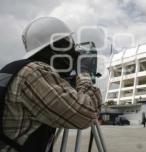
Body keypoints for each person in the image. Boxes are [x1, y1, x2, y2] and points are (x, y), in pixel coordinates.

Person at [0, 17, 102, 152]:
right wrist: (84, 73)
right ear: (56, 48)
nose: (74, 51)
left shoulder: (17, 69)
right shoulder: (34, 72)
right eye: (68, 44)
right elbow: (87, 114)